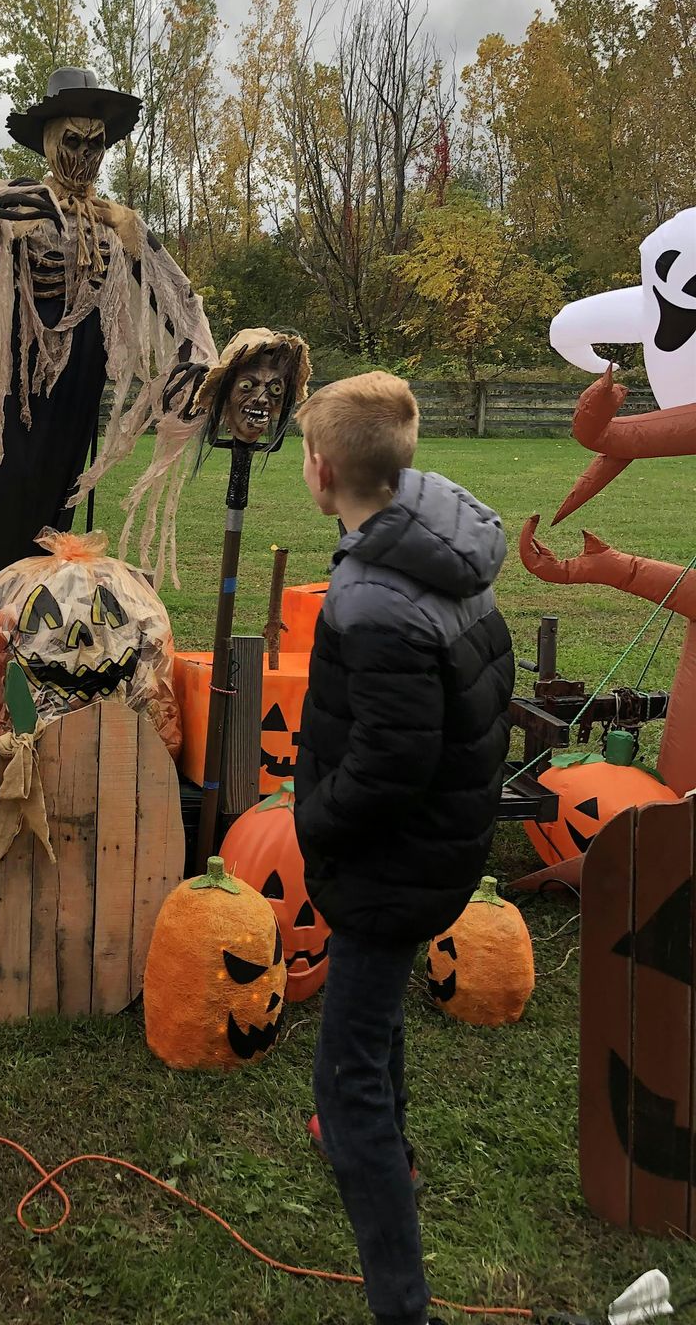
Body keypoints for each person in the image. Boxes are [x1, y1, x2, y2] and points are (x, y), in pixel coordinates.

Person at [292, 372, 514, 1325]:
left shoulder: (377, 597)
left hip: (389, 862)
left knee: (345, 1083)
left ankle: (401, 1304)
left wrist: (312, 819)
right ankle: (396, 1152)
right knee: (372, 1020)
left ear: (325, 468)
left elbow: (390, 762)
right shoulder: (437, 545)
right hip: (432, 852)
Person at [0, 68, 215, 592]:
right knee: (19, 479)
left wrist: (198, 357)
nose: (85, 156)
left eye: (96, 144)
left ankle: (50, 602)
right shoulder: (22, 206)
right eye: (73, 141)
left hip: (87, 365)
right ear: (49, 140)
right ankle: (2, 598)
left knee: (66, 485)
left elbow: (171, 291)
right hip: (31, 368)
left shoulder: (116, 221)